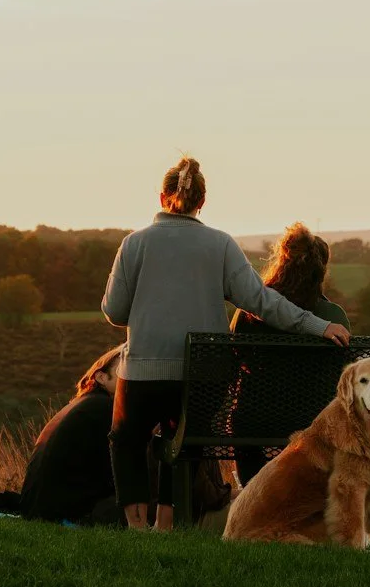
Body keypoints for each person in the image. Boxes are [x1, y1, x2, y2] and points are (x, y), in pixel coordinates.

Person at [100, 157, 351, 529]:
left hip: (145, 373)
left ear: (161, 196)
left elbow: (115, 311)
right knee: (183, 438)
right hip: (203, 378)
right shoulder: (220, 245)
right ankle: (166, 524)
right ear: (202, 201)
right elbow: (262, 302)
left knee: (126, 437)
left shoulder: (133, 244)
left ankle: (137, 526)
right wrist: (317, 325)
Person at [231, 223, 353, 486]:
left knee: (242, 426)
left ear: (281, 262)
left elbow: (234, 358)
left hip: (254, 418)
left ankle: (255, 497)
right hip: (312, 420)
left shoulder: (250, 313)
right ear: (321, 271)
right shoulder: (333, 318)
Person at [11, 347, 126, 523]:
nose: (129, 374)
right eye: (123, 367)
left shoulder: (86, 404)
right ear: (101, 377)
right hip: (62, 512)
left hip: (37, 508)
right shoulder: (103, 408)